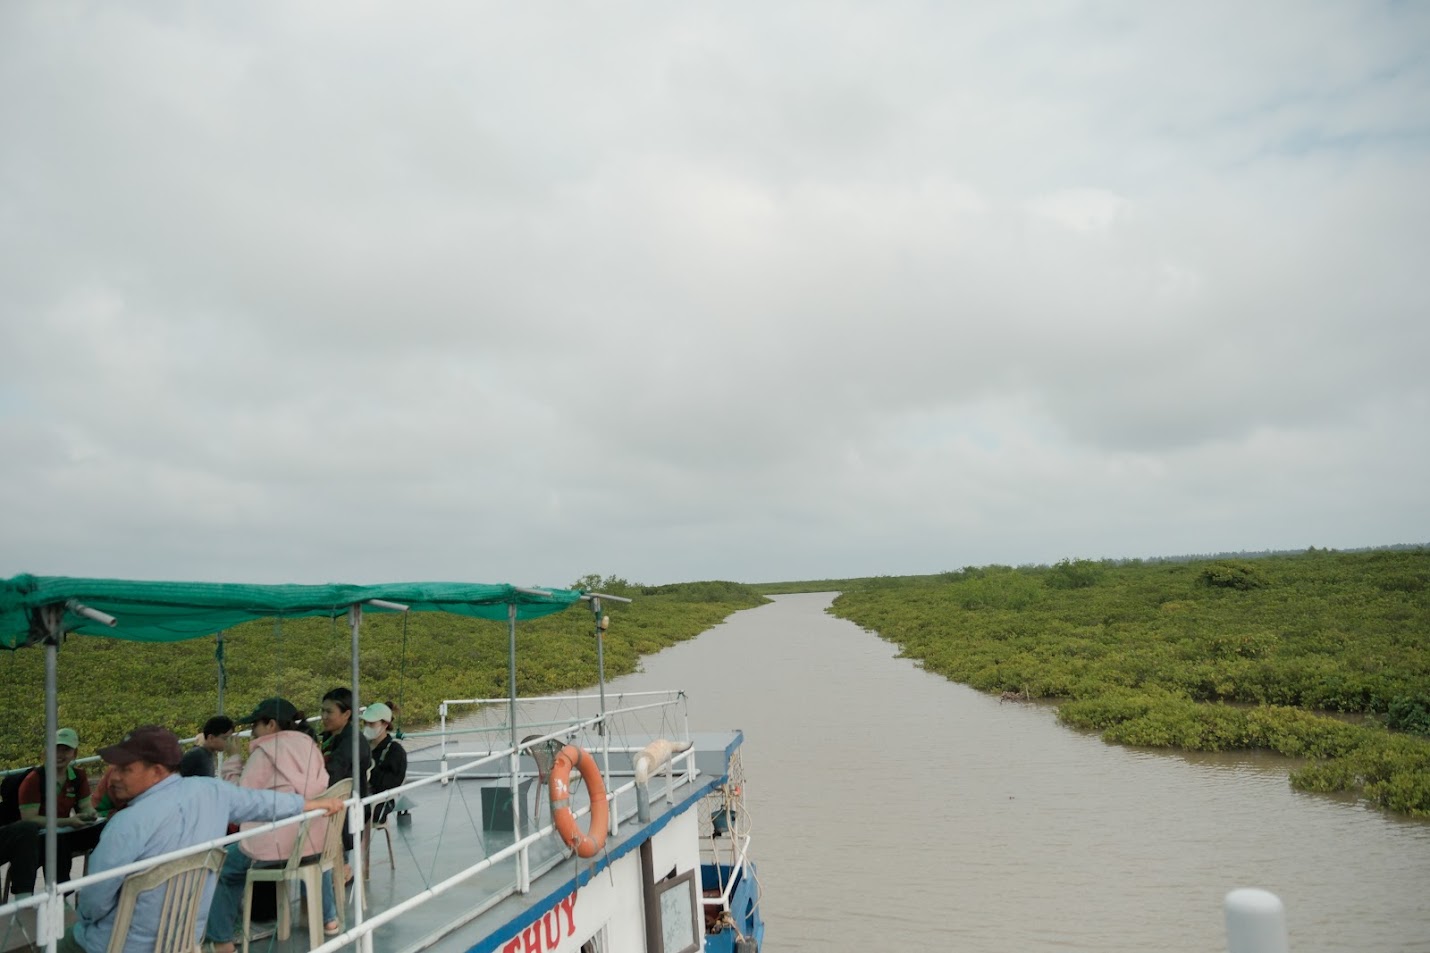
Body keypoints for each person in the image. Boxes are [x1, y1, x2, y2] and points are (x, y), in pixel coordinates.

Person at [54, 725, 344, 953]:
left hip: (118, 946)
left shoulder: (125, 824)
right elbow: (263, 802)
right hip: (184, 940)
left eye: (125, 769)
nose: (113, 777)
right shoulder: (212, 791)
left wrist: (89, 922)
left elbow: (92, 903)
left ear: (156, 772)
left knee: (58, 941)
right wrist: (312, 805)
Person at [205, 698, 337, 952]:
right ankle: (329, 919)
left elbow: (240, 801)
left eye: (256, 724)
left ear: (271, 724)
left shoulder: (264, 753)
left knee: (222, 866)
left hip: (276, 846)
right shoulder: (310, 745)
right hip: (313, 839)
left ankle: (221, 940)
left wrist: (233, 760)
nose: (252, 730)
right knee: (313, 861)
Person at [18, 727, 100, 883]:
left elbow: (85, 806)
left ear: (74, 754)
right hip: (36, 837)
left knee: (104, 830)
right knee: (57, 842)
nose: (60, 755)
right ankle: (61, 897)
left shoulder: (78, 776)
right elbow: (28, 819)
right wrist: (67, 822)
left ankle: (100, 884)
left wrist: (91, 814)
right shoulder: (34, 779)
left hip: (64, 831)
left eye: (65, 750)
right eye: (56, 749)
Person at [318, 687, 370, 883]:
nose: (324, 716)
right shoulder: (333, 738)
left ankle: (336, 873)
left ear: (346, 714)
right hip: (339, 805)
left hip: (348, 809)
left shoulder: (351, 742)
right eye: (322, 711)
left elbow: (332, 776)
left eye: (329, 712)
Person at [360, 702, 407, 825]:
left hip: (380, 802)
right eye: (365, 723)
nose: (367, 727)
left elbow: (389, 784)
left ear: (385, 724)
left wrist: (368, 766)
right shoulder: (362, 745)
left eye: (371, 724)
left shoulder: (395, 751)